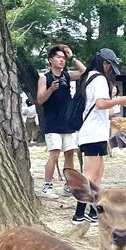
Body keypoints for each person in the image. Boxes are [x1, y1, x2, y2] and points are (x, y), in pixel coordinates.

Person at [71, 48, 126, 224]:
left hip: (95, 133)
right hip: (92, 133)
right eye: (110, 66)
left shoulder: (90, 77)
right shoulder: (99, 79)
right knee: (90, 175)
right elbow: (101, 104)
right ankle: (79, 214)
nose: (110, 70)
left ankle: (93, 212)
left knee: (98, 173)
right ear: (105, 63)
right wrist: (119, 100)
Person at [36, 45, 86, 199]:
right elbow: (39, 99)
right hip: (52, 123)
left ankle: (68, 185)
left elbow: (85, 72)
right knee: (55, 154)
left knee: (70, 153)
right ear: (50, 59)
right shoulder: (45, 77)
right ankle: (47, 186)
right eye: (58, 57)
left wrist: (73, 57)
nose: (61, 60)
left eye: (64, 58)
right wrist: (50, 89)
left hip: (68, 122)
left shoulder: (67, 76)